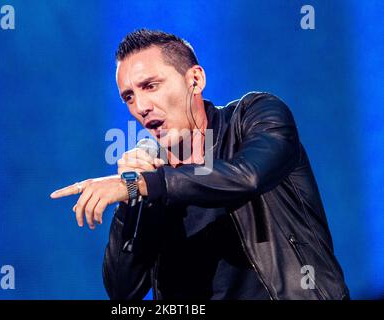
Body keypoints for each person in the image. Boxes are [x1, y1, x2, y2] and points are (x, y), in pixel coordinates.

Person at [50, 29, 350, 300]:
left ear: (195, 79)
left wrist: (146, 184)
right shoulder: (149, 170)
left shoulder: (256, 115)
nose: (140, 107)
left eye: (150, 86)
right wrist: (131, 197)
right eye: (129, 97)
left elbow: (249, 176)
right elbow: (123, 291)